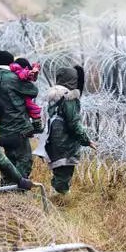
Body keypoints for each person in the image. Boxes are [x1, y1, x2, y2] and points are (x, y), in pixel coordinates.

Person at [43, 66, 95, 194]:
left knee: (58, 170)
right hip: (65, 140)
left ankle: (55, 196)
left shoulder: (53, 96)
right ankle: (60, 200)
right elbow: (73, 123)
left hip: (52, 137)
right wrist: (86, 140)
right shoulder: (69, 97)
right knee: (64, 172)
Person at [0, 51, 39, 183]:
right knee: (24, 161)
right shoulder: (12, 78)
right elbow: (33, 91)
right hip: (18, 127)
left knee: (9, 160)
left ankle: (6, 187)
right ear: (11, 62)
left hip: (5, 126)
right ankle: (18, 190)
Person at [9, 58, 43, 134]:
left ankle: (32, 127)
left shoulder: (13, 71)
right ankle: (37, 125)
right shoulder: (20, 71)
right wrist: (29, 72)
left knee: (30, 109)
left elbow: (33, 78)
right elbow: (23, 75)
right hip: (23, 96)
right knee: (33, 108)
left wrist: (34, 72)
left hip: (20, 95)